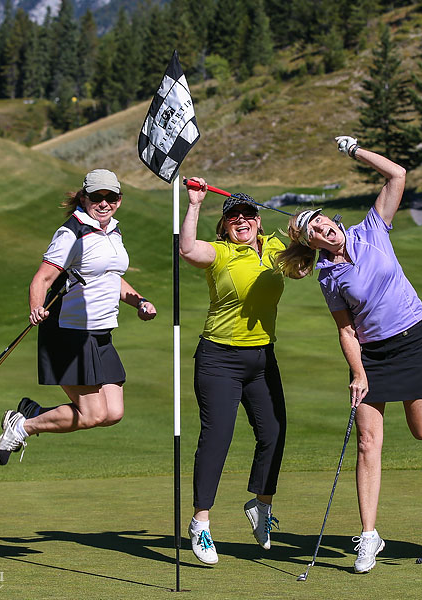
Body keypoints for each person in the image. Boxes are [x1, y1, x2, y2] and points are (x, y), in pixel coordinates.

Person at [277, 137, 422, 574]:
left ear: (332, 220)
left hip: (412, 338)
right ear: (313, 244)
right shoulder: (327, 275)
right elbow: (346, 329)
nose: (324, 230)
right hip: (373, 355)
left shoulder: (372, 228)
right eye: (315, 232)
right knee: (367, 442)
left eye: (323, 222)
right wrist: (357, 372)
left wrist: (355, 151)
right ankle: (369, 536)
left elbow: (398, 175)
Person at [0, 168, 158, 466]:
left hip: (101, 333)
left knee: (113, 413)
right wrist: (36, 307)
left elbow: (111, 276)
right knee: (93, 414)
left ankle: (32, 414)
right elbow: (42, 279)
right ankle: (22, 427)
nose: (104, 203)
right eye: (97, 197)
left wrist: (140, 301)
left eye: (111, 197)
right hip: (70, 331)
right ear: (84, 197)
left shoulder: (113, 231)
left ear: (119, 200)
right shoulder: (72, 233)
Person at [179, 178, 288, 565]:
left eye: (247, 215)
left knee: (273, 433)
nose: (241, 220)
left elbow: (301, 264)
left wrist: (307, 232)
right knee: (217, 438)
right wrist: (195, 203)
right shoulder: (221, 252)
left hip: (262, 358)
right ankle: (200, 523)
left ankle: (261, 505)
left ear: (259, 220)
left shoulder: (275, 248)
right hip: (219, 358)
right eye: (233, 217)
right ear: (224, 225)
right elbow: (187, 249)